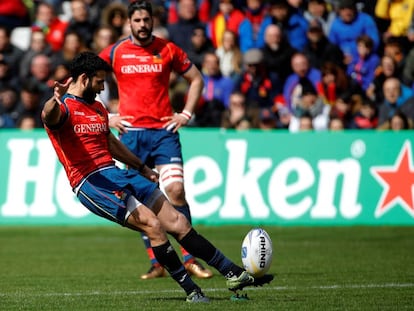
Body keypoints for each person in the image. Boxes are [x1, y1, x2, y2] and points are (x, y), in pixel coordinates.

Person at [41, 51, 273, 303]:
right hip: (92, 183)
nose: (103, 87)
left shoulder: (98, 108)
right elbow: (48, 116)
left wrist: (142, 167)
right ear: (84, 79)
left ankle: (234, 273)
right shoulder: (63, 108)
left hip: (117, 173)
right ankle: (192, 291)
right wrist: (56, 98)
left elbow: (110, 143)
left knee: (178, 222)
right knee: (153, 225)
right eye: (99, 81)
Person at [99, 0, 213, 280]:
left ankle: (189, 258)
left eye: (146, 20)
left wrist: (186, 113)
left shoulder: (167, 49)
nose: (142, 25)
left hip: (164, 133)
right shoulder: (115, 52)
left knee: (175, 191)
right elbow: (86, 78)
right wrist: (107, 116)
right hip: (131, 136)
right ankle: (157, 261)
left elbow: (196, 79)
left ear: (152, 21)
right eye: (136, 20)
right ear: (129, 23)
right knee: (140, 198)